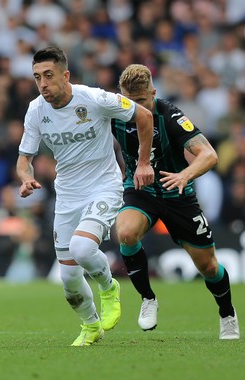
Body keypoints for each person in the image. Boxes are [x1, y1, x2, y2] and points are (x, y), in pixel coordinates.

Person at [16, 47, 154, 346]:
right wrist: (26, 178)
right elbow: (24, 158)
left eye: (49, 76)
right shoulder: (35, 110)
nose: (43, 84)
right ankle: (91, 326)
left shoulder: (94, 99)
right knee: (69, 282)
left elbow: (143, 115)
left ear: (65, 75)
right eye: (37, 77)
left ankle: (108, 287)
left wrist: (143, 162)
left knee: (81, 247)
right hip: (67, 195)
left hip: (104, 186)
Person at [112, 64, 239, 340]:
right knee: (125, 232)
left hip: (176, 193)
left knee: (208, 267)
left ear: (154, 93)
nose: (135, 110)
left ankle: (227, 313)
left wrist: (184, 175)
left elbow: (209, 154)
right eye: (129, 102)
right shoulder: (114, 112)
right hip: (141, 190)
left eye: (142, 102)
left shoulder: (170, 115)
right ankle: (148, 298)